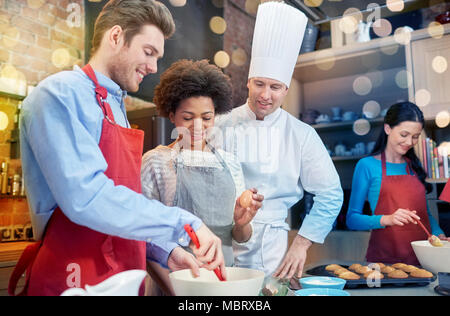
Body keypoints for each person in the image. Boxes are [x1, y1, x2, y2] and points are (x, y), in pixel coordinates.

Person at [9, 0, 224, 296]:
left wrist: (166, 251)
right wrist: (184, 221)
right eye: (148, 52)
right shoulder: (58, 95)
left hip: (122, 276)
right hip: (72, 277)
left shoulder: (114, 104)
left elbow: (123, 206)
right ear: (115, 37)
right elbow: (88, 197)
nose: (153, 67)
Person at [215, 2, 343, 279]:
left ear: (285, 90)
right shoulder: (220, 124)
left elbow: (331, 193)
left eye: (275, 87)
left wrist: (302, 243)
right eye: (259, 83)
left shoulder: (301, 135)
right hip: (219, 241)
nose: (265, 95)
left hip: (271, 248)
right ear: (248, 82)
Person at [141, 59, 263, 295]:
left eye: (206, 118)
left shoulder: (230, 163)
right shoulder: (156, 161)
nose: (198, 126)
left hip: (221, 286)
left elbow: (240, 238)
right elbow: (144, 236)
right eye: (188, 118)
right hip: (170, 286)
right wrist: (179, 293)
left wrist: (242, 222)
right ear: (172, 115)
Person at [346, 102, 449, 265]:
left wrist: (439, 234)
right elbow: (352, 219)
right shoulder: (367, 166)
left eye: (415, 136)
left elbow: (425, 215)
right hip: (384, 261)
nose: (410, 141)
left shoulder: (414, 166)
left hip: (423, 261)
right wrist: (387, 219)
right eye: (404, 134)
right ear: (388, 129)